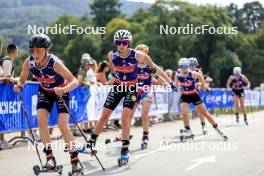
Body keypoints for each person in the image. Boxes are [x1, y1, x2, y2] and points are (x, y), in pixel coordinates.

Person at [87, 29, 176, 163]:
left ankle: (125, 150)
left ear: (129, 43)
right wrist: (114, 77)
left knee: (125, 118)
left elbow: (156, 69)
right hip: (118, 86)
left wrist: (170, 82)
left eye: (124, 42)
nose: (121, 45)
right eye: (118, 42)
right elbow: (112, 70)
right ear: (115, 43)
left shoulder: (138, 56)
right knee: (104, 115)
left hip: (134, 89)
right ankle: (91, 143)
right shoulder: (112, 55)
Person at [13, 33, 83, 174]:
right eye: (33, 50)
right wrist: (19, 86)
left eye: (39, 50)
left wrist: (63, 89)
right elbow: (22, 79)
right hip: (45, 91)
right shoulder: (29, 62)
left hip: (60, 92)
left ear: (46, 50)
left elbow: (75, 81)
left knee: (63, 125)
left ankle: (75, 160)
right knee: (41, 121)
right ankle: (50, 158)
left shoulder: (55, 63)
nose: (35, 53)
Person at [176, 58, 228, 140]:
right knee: (184, 113)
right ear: (179, 66)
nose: (183, 68)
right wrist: (177, 88)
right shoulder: (178, 75)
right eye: (181, 66)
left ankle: (216, 128)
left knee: (205, 113)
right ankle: (188, 130)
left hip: (194, 95)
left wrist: (201, 85)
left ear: (188, 66)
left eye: (185, 66)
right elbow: (177, 85)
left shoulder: (193, 74)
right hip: (185, 96)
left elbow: (200, 76)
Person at [188, 57, 208, 134]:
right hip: (186, 93)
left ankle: (203, 125)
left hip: (196, 92)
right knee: (185, 110)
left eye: (194, 65)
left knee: (200, 110)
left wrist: (199, 84)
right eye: (191, 65)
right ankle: (187, 128)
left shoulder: (198, 71)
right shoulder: (185, 71)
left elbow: (202, 82)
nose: (193, 67)